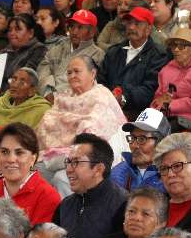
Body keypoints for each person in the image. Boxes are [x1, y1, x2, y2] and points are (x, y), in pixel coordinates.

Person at [37, 56, 127, 195]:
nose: (72, 76)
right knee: (34, 170)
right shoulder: (64, 97)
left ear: (92, 73)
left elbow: (92, 132)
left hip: (92, 157)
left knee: (61, 178)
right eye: (69, 73)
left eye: (77, 71)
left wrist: (68, 146)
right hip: (58, 154)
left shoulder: (101, 96)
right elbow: (47, 122)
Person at [52, 133, 127, 238]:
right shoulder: (65, 205)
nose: (68, 169)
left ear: (98, 169)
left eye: (76, 162)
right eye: (68, 162)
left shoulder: (123, 206)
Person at [98, 6, 169, 120]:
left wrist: (124, 98)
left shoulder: (159, 55)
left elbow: (150, 90)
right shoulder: (114, 52)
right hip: (106, 107)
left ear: (149, 29)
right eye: (129, 23)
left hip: (138, 113)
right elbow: (100, 80)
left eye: (137, 24)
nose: (131, 27)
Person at [150, 28, 191, 127]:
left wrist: (170, 104)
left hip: (188, 119)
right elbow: (158, 98)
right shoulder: (166, 69)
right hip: (163, 116)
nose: (176, 49)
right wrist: (157, 104)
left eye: (181, 46)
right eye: (174, 45)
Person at [37, 9, 105, 99]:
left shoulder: (97, 54)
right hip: (46, 96)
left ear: (92, 32)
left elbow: (80, 82)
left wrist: (55, 95)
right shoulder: (59, 47)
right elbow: (43, 70)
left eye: (80, 27)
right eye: (72, 26)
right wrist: (47, 92)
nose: (74, 32)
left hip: (74, 101)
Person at [112, 108, 169, 192]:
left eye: (142, 139)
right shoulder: (117, 174)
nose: (134, 145)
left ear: (161, 142)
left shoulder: (173, 177)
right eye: (132, 138)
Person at [0, 14, 48, 94]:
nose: (12, 33)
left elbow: (24, 77)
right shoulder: (4, 51)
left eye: (17, 29)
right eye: (10, 30)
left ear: (31, 33)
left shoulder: (39, 49)